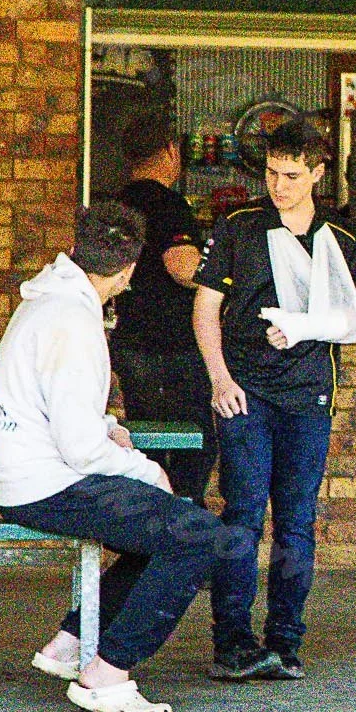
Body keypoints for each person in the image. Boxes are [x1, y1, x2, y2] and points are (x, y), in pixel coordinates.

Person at [0, 202, 241, 712]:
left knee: (170, 526)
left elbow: (59, 407)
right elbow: (80, 449)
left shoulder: (49, 302)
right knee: (198, 535)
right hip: (48, 485)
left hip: (30, 475)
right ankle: (106, 675)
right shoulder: (73, 321)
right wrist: (150, 472)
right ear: (127, 272)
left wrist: (105, 426)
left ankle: (70, 642)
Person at [194, 115, 356, 682]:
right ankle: (232, 642)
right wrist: (220, 380)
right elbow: (205, 309)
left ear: (318, 173)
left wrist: (304, 328)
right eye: (272, 173)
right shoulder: (239, 227)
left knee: (297, 521)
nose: (279, 186)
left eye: (292, 176)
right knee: (243, 514)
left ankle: (285, 641)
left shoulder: (342, 240)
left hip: (309, 393)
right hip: (245, 390)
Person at [109, 111, 217, 504]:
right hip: (171, 345)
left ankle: (152, 515)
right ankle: (180, 514)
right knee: (194, 442)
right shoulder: (168, 204)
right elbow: (182, 266)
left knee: (146, 439)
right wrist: (226, 276)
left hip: (129, 339)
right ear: (171, 150)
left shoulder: (117, 205)